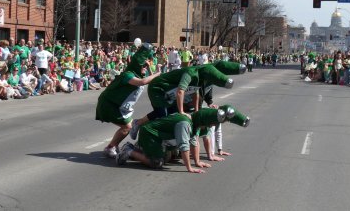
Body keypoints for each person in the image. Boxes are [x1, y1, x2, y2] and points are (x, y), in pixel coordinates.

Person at [129, 61, 246, 140]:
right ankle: (138, 123)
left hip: (170, 93)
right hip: (158, 88)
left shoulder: (202, 79)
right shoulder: (190, 72)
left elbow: (196, 92)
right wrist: (181, 112)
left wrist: (196, 111)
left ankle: (156, 133)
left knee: (171, 113)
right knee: (162, 113)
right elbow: (181, 91)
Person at [116, 105, 250, 173]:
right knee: (157, 163)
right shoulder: (185, 123)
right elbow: (185, 145)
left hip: (161, 137)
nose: (211, 126)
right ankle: (129, 150)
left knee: (170, 157)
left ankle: (140, 149)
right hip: (151, 135)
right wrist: (190, 168)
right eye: (211, 123)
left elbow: (194, 141)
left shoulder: (196, 122)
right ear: (206, 120)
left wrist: (197, 162)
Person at [95, 43, 162, 158]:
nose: (145, 69)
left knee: (127, 126)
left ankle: (113, 146)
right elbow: (143, 82)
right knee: (127, 127)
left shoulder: (137, 74)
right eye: (144, 67)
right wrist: (157, 74)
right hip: (109, 103)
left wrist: (151, 69)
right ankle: (110, 147)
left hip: (116, 104)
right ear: (137, 66)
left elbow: (149, 80)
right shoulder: (128, 75)